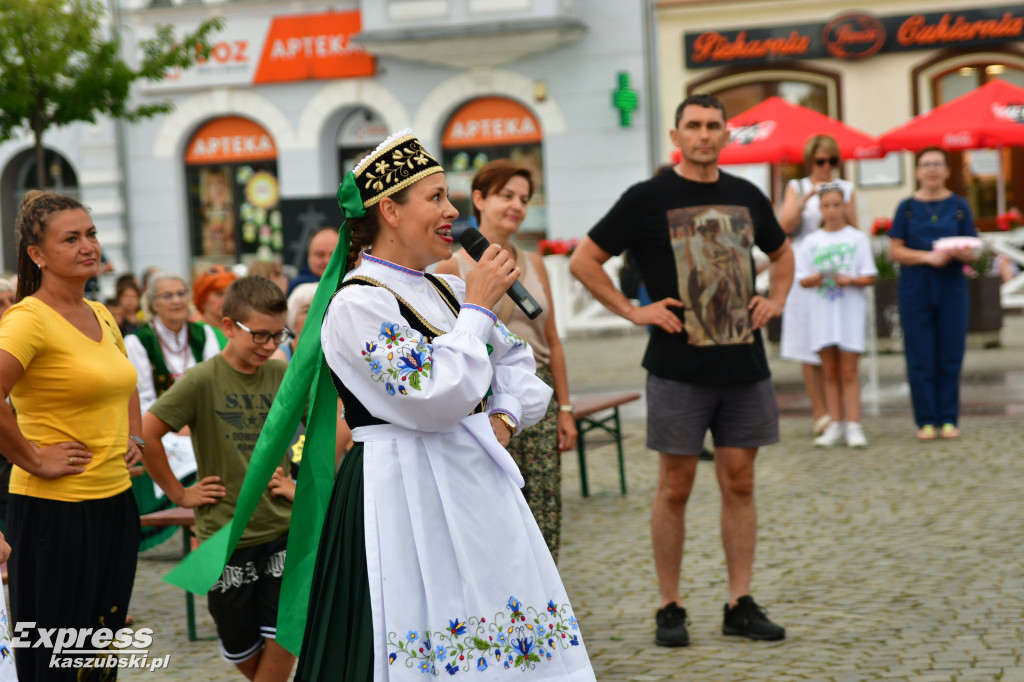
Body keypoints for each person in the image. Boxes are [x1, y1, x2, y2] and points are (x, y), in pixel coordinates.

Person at [295, 131, 595, 680]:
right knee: (413, 625)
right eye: (435, 197)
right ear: (389, 209)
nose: (451, 211)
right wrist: (479, 308)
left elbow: (521, 368)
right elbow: (433, 396)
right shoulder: (358, 303)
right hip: (399, 489)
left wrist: (501, 421)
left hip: (472, 480)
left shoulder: (444, 289)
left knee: (497, 626)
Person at [569, 94, 793, 647]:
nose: (704, 134)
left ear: (726, 134)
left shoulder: (745, 195)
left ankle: (739, 602)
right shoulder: (648, 197)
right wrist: (632, 311)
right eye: (693, 126)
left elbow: (783, 255)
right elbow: (583, 260)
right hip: (676, 368)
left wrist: (777, 300)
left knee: (740, 482)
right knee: (675, 486)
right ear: (676, 135)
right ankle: (669, 606)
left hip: (744, 364)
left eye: (713, 126)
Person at [0, 191, 142, 680]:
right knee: (57, 662)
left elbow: (125, 382)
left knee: (99, 655)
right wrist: (33, 459)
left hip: (115, 504)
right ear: (37, 255)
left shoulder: (101, 314)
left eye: (92, 234)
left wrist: (135, 438)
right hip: (53, 516)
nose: (88, 246)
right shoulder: (28, 319)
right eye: (71, 239)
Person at [141, 276, 295, 681]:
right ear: (228, 326)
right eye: (259, 335)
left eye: (278, 336)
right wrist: (179, 493)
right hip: (225, 539)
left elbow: (329, 427)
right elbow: (148, 432)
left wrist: (301, 486)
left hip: (282, 532)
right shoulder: (202, 379)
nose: (269, 345)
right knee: (240, 647)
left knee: (286, 641)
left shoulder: (283, 375)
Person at [435, 159, 577, 561]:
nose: (516, 205)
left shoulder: (534, 263)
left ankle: (546, 602)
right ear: (479, 199)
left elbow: (553, 340)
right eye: (505, 195)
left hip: (538, 396)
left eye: (523, 199)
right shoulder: (453, 266)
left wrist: (565, 408)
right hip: (486, 397)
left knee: (544, 504)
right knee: (496, 505)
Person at [124, 272, 220, 550]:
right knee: (180, 451)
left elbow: (214, 385)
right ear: (152, 303)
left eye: (181, 293)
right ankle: (193, 529)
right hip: (159, 427)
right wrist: (174, 424)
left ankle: (213, 528)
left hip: (203, 422)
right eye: (168, 295)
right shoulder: (138, 342)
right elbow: (141, 398)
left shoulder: (205, 335)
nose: (177, 300)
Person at [889, 147, 978, 441]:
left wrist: (962, 253)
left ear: (947, 170)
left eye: (937, 164)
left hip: (951, 286)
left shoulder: (959, 205)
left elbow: (973, 250)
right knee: (920, 354)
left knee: (950, 353)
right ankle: (926, 420)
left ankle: (948, 418)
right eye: (926, 164)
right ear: (917, 171)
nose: (932, 170)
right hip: (916, 286)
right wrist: (926, 257)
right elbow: (895, 249)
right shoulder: (907, 208)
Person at [778, 134, 859, 438]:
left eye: (831, 161)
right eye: (820, 161)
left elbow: (856, 230)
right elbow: (784, 227)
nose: (826, 167)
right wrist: (806, 199)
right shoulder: (797, 187)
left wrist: (841, 206)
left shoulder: (846, 189)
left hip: (836, 269)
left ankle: (843, 413)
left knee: (838, 339)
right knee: (806, 342)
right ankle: (820, 412)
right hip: (805, 269)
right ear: (810, 161)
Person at [794, 184, 877, 448]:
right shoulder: (812, 241)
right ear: (820, 209)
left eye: (836, 205)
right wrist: (818, 278)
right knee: (828, 371)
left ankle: (854, 424)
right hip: (822, 312)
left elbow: (869, 276)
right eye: (826, 206)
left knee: (849, 371)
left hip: (848, 312)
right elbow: (802, 280)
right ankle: (835, 424)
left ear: (844, 207)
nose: (831, 211)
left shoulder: (857, 239)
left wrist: (849, 280)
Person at [270, 282, 353, 472]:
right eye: (307, 310)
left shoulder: (340, 353)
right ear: (292, 319)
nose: (317, 314)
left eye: (323, 306)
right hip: (294, 445)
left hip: (335, 441)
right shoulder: (280, 357)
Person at [193, 264, 238, 348]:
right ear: (202, 298)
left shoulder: (240, 327)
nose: (226, 299)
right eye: (219, 294)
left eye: (229, 293)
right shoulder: (196, 333)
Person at [287, 227, 338, 295]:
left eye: (333, 255)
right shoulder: (297, 288)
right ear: (309, 256)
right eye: (320, 255)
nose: (327, 260)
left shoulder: (353, 282)